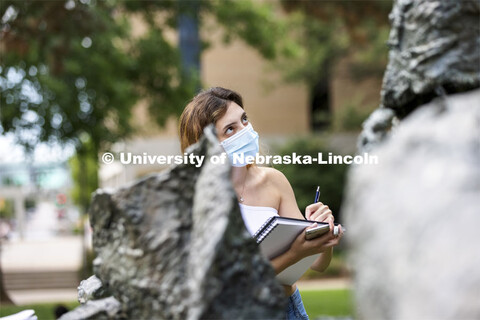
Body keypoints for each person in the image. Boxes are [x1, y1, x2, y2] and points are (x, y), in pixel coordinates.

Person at [179, 87, 344, 320]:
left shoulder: (274, 181)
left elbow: (318, 263)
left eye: (244, 120)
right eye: (230, 129)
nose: (245, 131)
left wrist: (324, 237)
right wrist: (293, 254)